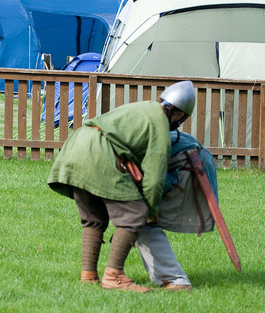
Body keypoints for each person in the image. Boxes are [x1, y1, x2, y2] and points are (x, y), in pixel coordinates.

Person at [47, 80, 196, 293]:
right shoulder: (160, 125)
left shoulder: (143, 107)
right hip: (99, 153)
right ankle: (114, 275)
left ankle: (88, 276)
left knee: (94, 218)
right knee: (135, 213)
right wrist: (151, 211)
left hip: (76, 146)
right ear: (181, 115)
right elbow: (154, 180)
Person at [136, 131, 218, 292]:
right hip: (191, 163)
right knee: (139, 217)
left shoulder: (148, 146)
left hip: (189, 170)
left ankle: (175, 279)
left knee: (143, 219)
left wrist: (147, 208)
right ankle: (161, 276)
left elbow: (159, 181)